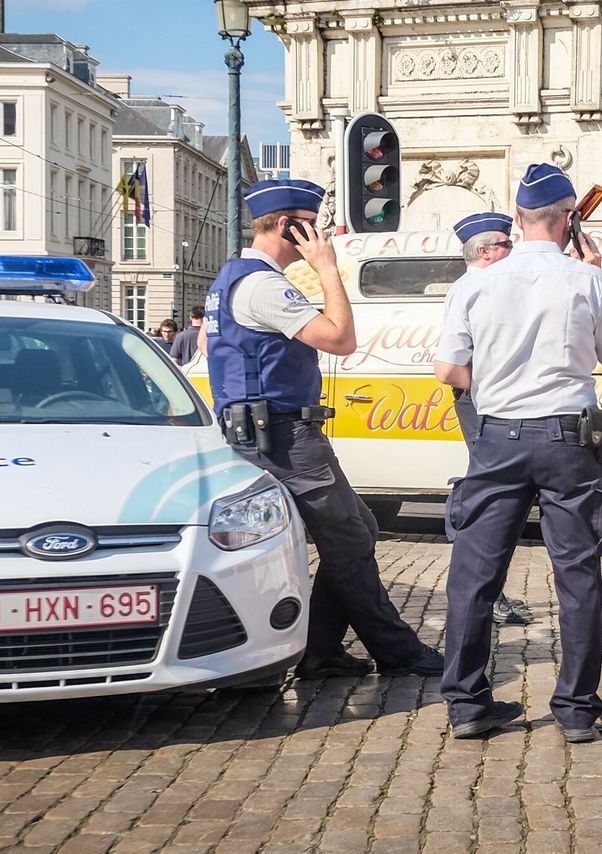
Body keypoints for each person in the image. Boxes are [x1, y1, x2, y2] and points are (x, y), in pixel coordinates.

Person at [199, 178, 444, 679]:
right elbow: (339, 339)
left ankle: (321, 650)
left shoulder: (230, 277)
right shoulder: (263, 284)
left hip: (268, 432)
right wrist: (328, 271)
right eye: (313, 226)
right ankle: (396, 650)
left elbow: (208, 344)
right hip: (285, 439)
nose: (321, 235)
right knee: (351, 540)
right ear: (290, 225)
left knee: (360, 529)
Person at [436, 164, 602, 741]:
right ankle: (576, 710)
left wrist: (499, 374)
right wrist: (592, 273)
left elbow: (449, 369)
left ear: (516, 219)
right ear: (569, 219)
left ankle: (468, 706)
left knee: (474, 575)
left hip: (497, 435)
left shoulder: (473, 282)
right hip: (568, 438)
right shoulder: (587, 279)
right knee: (577, 574)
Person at [435, 211, 534, 627]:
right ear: (486, 251)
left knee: (498, 497)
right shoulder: (473, 286)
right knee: (492, 500)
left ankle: (487, 592)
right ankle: (484, 594)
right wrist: (487, 389)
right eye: (507, 245)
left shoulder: (483, 283)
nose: (513, 251)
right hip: (482, 401)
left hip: (484, 400)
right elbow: (449, 367)